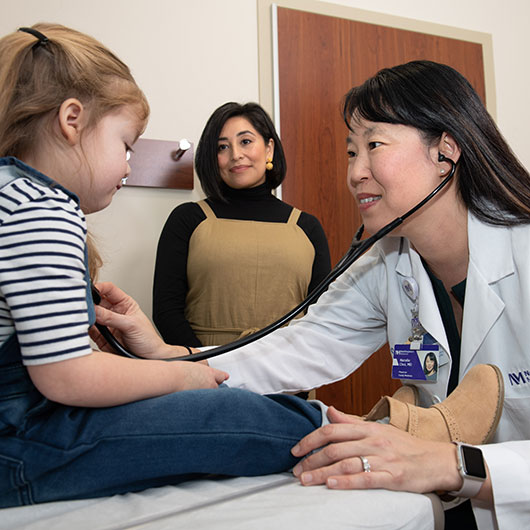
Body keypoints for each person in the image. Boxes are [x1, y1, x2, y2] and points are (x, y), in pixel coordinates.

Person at [187, 60, 528, 529]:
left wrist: (452, 463)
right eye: (351, 151)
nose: (355, 172)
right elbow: (300, 346)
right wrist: (175, 366)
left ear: (445, 152)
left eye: (373, 145)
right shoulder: (388, 260)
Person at [0, 23, 326, 508]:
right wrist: (181, 374)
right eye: (127, 144)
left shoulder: (13, 193)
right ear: (72, 120)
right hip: (22, 443)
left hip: (22, 431)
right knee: (255, 418)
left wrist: (167, 363)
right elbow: (68, 376)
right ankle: (360, 433)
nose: (130, 165)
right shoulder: (43, 209)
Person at [152, 102, 331, 347]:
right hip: (205, 374)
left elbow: (321, 317)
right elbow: (167, 311)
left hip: (289, 375)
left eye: (245, 141)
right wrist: (205, 366)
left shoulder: (307, 227)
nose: (235, 154)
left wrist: (293, 376)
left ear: (269, 149)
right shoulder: (188, 219)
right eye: (222, 147)